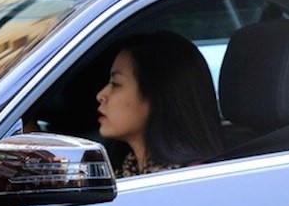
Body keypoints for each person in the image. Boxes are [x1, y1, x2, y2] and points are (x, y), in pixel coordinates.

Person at [96, 31, 226, 177]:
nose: (101, 95)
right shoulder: (121, 171)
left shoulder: (190, 180)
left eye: (116, 84)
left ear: (156, 96)